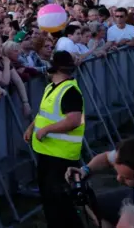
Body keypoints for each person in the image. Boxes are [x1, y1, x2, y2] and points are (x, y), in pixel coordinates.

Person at [23, 51, 85, 228]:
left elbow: (73, 120)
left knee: (60, 202)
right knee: (50, 200)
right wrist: (32, 127)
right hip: (47, 152)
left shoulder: (70, 91)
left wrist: (46, 130)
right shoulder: (51, 87)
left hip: (61, 156)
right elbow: (44, 113)